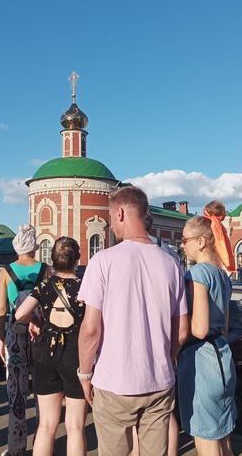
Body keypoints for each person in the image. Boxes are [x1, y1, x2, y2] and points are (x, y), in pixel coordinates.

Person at [78, 186, 189, 456]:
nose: (111, 225)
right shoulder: (171, 263)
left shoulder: (103, 261)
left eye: (111, 217)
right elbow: (182, 330)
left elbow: (91, 330)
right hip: (160, 382)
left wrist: (84, 374)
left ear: (120, 213)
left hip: (114, 381)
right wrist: (162, 358)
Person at [14, 237, 87, 456]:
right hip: (75, 355)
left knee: (46, 425)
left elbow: (19, 314)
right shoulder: (85, 287)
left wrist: (35, 321)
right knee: (75, 427)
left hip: (46, 353)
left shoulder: (44, 286)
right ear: (77, 258)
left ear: (52, 259)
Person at [178, 216, 237, 454]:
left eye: (185, 239)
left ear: (201, 242)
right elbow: (223, 326)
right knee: (223, 434)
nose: (182, 245)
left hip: (201, 361)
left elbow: (200, 329)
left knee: (205, 435)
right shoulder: (221, 274)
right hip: (222, 355)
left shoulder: (198, 274)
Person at [0, 223, 50, 456]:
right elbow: (48, 305)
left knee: (16, 394)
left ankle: (16, 448)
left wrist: (1, 338)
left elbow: (1, 309)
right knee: (42, 392)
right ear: (34, 246)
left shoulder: (5, 271)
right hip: (39, 335)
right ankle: (43, 444)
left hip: (15, 334)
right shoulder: (45, 269)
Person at [202, 200, 237, 274]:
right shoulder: (221, 227)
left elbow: (220, 244)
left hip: (210, 262)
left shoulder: (209, 226)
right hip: (219, 265)